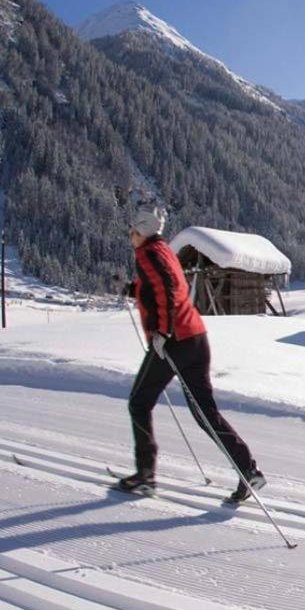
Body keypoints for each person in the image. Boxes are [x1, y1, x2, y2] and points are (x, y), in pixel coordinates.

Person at [115, 205, 265, 503]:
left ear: (141, 231)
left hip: (174, 340)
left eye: (132, 230)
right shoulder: (165, 252)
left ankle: (145, 476)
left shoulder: (148, 254)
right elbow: (164, 286)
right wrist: (132, 290)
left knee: (139, 402)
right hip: (195, 337)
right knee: (205, 414)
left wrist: (163, 331)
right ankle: (248, 470)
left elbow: (168, 290)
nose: (130, 236)